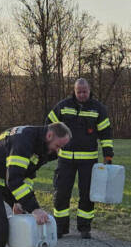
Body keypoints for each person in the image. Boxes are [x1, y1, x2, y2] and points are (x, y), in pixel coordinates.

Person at [47, 78, 113, 238]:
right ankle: (60, 228)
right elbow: (49, 125)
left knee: (87, 194)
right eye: (79, 92)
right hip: (65, 159)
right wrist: (50, 146)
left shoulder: (99, 109)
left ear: (89, 91)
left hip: (88, 160)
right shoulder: (63, 106)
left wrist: (108, 155)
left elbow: (106, 134)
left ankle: (84, 228)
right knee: (61, 192)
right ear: (74, 91)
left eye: (84, 92)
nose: (82, 94)